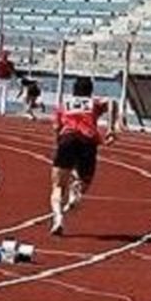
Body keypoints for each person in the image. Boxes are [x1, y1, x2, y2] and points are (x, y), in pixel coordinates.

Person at [49, 77, 118, 236]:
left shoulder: (64, 105)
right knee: (85, 180)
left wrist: (58, 142)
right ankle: (76, 192)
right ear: (90, 90)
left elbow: (56, 127)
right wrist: (111, 128)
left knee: (58, 185)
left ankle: (58, 218)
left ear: (74, 90)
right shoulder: (93, 103)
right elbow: (112, 102)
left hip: (67, 139)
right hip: (88, 141)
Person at [0, 49, 16, 116]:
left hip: (6, 80)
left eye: (5, 56)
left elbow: (13, 72)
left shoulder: (10, 64)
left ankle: (3, 111)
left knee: (4, 96)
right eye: (3, 55)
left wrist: (8, 68)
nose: (4, 57)